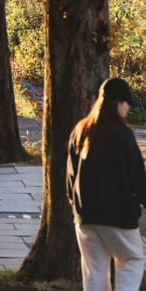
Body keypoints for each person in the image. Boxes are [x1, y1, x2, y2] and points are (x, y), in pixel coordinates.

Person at [68, 77, 146, 291]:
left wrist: (75, 204)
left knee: (94, 271)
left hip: (85, 216)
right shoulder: (123, 135)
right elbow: (138, 178)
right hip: (118, 215)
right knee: (132, 259)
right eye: (126, 103)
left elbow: (71, 176)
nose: (128, 108)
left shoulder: (80, 131)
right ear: (117, 103)